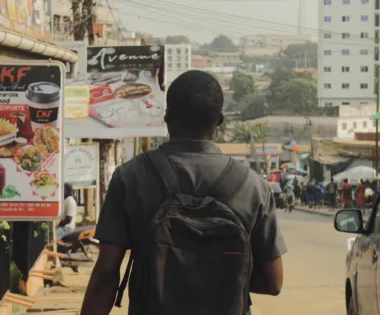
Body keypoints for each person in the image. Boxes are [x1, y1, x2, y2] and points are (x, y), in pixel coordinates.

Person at [81, 70, 287, 315]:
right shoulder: (252, 185)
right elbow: (274, 283)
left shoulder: (131, 177)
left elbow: (106, 271)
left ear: (167, 117)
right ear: (219, 121)